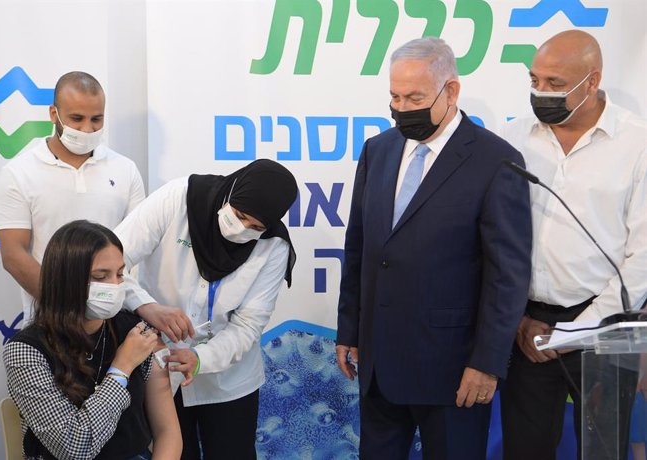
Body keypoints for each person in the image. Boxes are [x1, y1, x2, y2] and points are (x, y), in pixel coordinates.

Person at [335, 37, 532, 460]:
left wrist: (487, 363)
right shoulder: (378, 150)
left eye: (415, 97)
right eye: (394, 96)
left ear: (452, 91)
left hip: (453, 371)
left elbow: (508, 276)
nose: (402, 108)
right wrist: (350, 328)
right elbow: (360, 247)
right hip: (379, 365)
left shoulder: (497, 161)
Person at [499, 30, 647, 460]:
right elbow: (493, 237)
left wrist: (573, 334)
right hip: (527, 328)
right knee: (524, 450)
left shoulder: (637, 144)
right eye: (535, 80)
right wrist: (519, 319)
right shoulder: (512, 138)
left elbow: (642, 257)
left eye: (555, 84)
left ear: (592, 81)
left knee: (604, 450)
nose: (540, 92)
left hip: (605, 330)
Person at [113, 159, 298, 460]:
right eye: (239, 215)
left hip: (229, 380)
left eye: (256, 227)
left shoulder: (274, 247)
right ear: (232, 191)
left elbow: (248, 325)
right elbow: (112, 259)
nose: (242, 229)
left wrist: (201, 358)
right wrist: (147, 307)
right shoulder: (178, 199)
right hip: (160, 366)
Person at [3, 220, 181, 459]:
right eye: (100, 276)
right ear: (66, 280)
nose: (116, 287)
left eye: (119, 274)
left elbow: (168, 431)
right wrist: (122, 367)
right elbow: (74, 449)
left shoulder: (139, 333)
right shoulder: (26, 351)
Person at [0, 71, 145, 324]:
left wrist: (136, 305)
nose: (87, 129)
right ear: (54, 114)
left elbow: (136, 249)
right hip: (50, 323)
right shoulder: (19, 173)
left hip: (115, 322)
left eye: (96, 119)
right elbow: (13, 255)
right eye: (77, 119)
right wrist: (68, 308)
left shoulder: (125, 169)